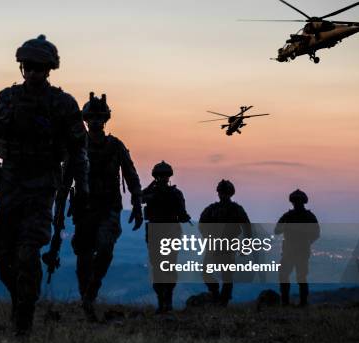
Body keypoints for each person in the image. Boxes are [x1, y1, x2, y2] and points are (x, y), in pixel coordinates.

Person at [0, 35, 89, 335]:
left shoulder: (62, 103)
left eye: (39, 67)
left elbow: (78, 151)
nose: (32, 72)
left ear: (49, 69)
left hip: (43, 186)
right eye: (28, 66)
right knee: (3, 254)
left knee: (28, 250)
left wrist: (81, 192)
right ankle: (19, 302)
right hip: (10, 187)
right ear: (22, 67)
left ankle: (24, 318)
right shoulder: (5, 99)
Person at [61, 92, 142, 321]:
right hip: (84, 208)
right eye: (92, 117)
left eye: (100, 117)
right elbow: (66, 176)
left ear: (105, 119)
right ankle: (86, 300)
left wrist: (137, 203)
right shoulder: (77, 145)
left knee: (105, 248)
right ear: (86, 120)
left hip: (109, 207)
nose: (96, 121)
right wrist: (59, 205)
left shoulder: (115, 146)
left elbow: (130, 174)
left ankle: (92, 290)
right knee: (84, 254)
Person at [142, 161, 191, 313]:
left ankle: (164, 302)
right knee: (164, 267)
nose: (163, 178)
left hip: (163, 232)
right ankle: (164, 302)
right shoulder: (172, 193)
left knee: (162, 267)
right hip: (163, 232)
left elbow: (182, 215)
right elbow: (139, 199)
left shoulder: (170, 193)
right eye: (161, 176)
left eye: (164, 176)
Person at [199, 180, 251, 306]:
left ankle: (223, 301)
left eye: (225, 193)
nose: (223, 195)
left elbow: (247, 228)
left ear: (230, 193)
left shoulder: (236, 209)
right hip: (214, 245)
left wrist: (246, 246)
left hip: (228, 246)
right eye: (221, 192)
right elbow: (202, 225)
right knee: (206, 272)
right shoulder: (212, 209)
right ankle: (216, 294)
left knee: (226, 275)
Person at [274, 189, 320, 307]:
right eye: (295, 201)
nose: (296, 203)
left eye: (297, 201)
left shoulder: (292, 216)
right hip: (295, 251)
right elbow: (277, 230)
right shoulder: (305, 216)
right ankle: (292, 302)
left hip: (296, 250)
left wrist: (305, 241)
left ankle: (295, 303)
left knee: (296, 276)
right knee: (294, 276)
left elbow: (315, 234)